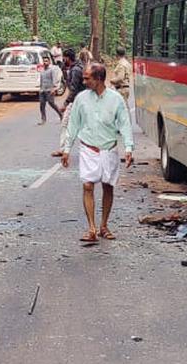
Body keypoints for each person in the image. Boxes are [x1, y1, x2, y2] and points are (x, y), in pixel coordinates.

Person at [61, 63, 133, 244]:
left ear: (99, 79)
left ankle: (104, 225)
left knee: (108, 186)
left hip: (109, 149)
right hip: (88, 148)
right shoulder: (81, 99)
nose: (84, 81)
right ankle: (91, 228)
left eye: (87, 78)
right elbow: (74, 124)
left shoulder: (116, 99)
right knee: (87, 186)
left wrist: (129, 148)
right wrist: (67, 149)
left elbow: (124, 124)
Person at [51, 48, 86, 158]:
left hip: (76, 101)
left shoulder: (75, 70)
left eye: (64, 58)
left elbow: (74, 89)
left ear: (67, 58)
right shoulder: (78, 67)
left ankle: (63, 149)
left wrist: (65, 104)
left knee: (66, 124)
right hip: (82, 100)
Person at [38, 55, 63, 125]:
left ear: (49, 62)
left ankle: (61, 114)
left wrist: (54, 89)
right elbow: (41, 80)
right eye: (44, 61)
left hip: (50, 90)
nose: (45, 62)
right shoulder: (42, 71)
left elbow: (55, 79)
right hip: (42, 90)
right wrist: (40, 89)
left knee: (51, 103)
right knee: (42, 105)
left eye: (46, 61)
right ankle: (43, 119)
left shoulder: (52, 70)